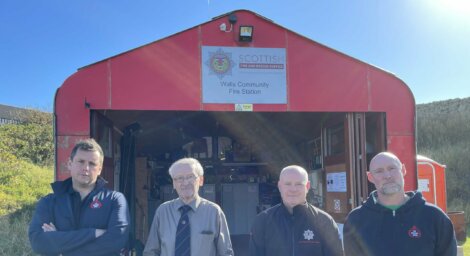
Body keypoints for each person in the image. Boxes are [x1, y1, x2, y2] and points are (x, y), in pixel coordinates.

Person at [29, 138, 130, 256]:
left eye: (92, 164)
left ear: (99, 169)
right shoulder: (49, 202)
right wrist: (93, 234)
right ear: (70, 164)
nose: (86, 168)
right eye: (81, 161)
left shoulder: (115, 200)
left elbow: (116, 242)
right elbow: (38, 242)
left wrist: (61, 247)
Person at [343, 152, 457, 256]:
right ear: (370, 177)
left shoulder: (434, 217)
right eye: (379, 171)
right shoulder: (356, 220)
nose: (387, 176)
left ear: (403, 170)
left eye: (392, 168)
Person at [143, 158, 233, 256]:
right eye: (180, 178)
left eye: (190, 177)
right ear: (173, 183)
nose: (185, 183)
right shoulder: (163, 212)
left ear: (201, 180)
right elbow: (151, 252)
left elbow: (226, 253)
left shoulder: (214, 212)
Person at [250, 165, 343, 256]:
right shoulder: (263, 221)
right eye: (288, 184)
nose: (293, 189)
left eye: (299, 184)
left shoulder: (324, 222)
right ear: (279, 186)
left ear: (307, 186)